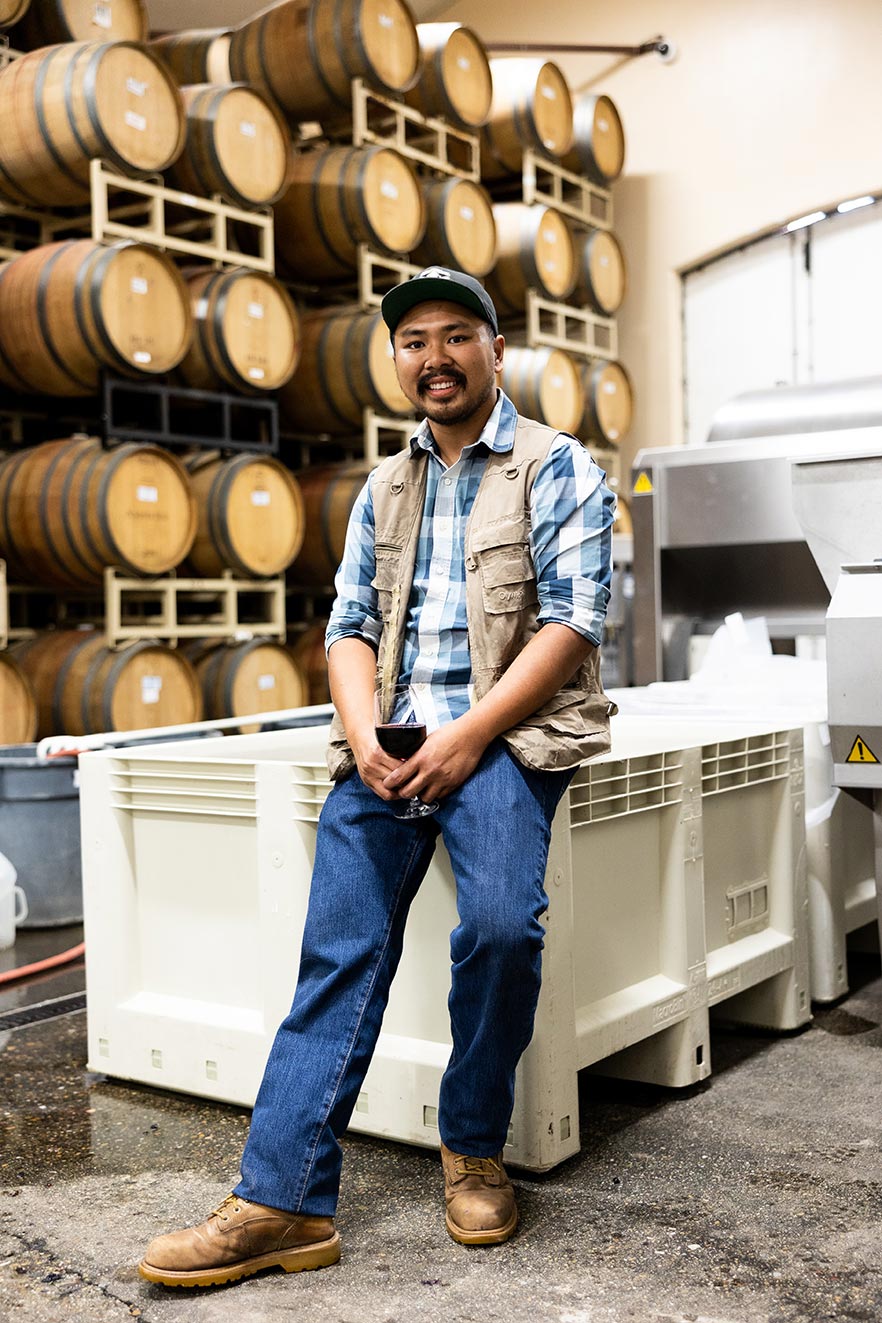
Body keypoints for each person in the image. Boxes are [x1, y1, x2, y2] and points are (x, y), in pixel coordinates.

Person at [139, 266, 616, 1289]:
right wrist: (365, 739)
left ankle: (472, 1144)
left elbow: (575, 620)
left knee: (499, 927)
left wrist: (468, 737)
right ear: (396, 359)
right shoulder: (384, 488)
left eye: (455, 337)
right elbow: (349, 628)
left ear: (495, 348)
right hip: (391, 740)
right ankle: (281, 1202)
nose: (433, 358)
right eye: (413, 342)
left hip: (505, 738)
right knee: (340, 951)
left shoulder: (554, 465)